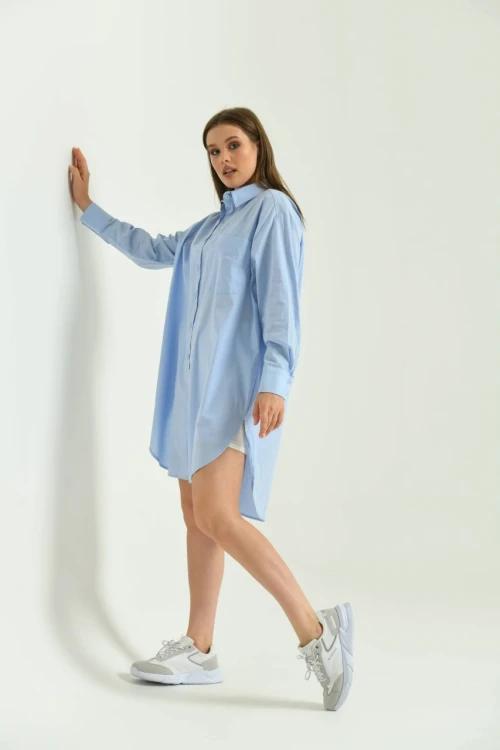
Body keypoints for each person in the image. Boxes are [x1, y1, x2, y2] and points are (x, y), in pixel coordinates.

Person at [69, 107, 354, 711]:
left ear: (258, 147)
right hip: (191, 397)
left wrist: (275, 381)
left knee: (219, 516)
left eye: (233, 145)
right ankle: (199, 648)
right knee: (197, 519)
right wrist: (88, 208)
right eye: (213, 151)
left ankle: (317, 632)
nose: (223, 159)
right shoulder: (207, 230)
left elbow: (283, 301)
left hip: (235, 393)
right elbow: (151, 249)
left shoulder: (273, 211)